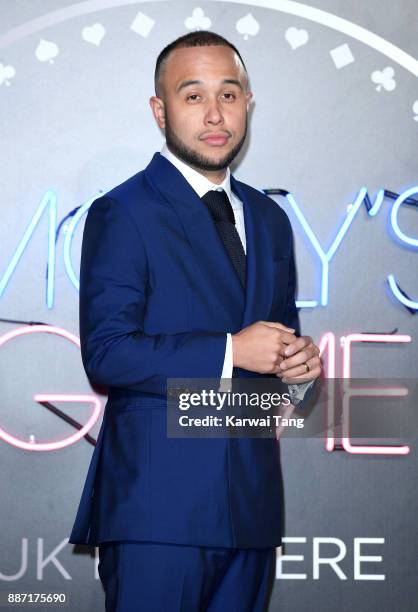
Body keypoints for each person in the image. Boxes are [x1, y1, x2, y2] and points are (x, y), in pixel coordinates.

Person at [68, 30, 321, 611]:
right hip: (160, 510)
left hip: (253, 511)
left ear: (248, 103)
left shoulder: (268, 218)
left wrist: (299, 366)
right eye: (192, 96)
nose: (215, 114)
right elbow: (107, 352)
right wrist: (231, 351)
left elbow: (280, 346)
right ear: (159, 110)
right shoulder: (123, 212)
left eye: (228, 95)